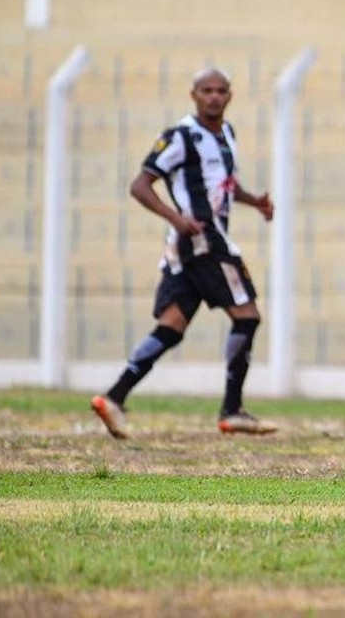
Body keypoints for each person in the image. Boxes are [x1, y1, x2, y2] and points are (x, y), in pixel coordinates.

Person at [90, 68, 278, 439]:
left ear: (230, 95)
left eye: (220, 90)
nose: (213, 96)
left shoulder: (227, 134)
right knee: (248, 315)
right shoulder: (180, 137)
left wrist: (254, 201)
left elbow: (223, 184)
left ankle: (113, 397)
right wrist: (177, 219)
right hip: (204, 242)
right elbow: (140, 186)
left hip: (193, 247)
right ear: (193, 94)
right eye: (206, 90)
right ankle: (232, 409)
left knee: (171, 328)